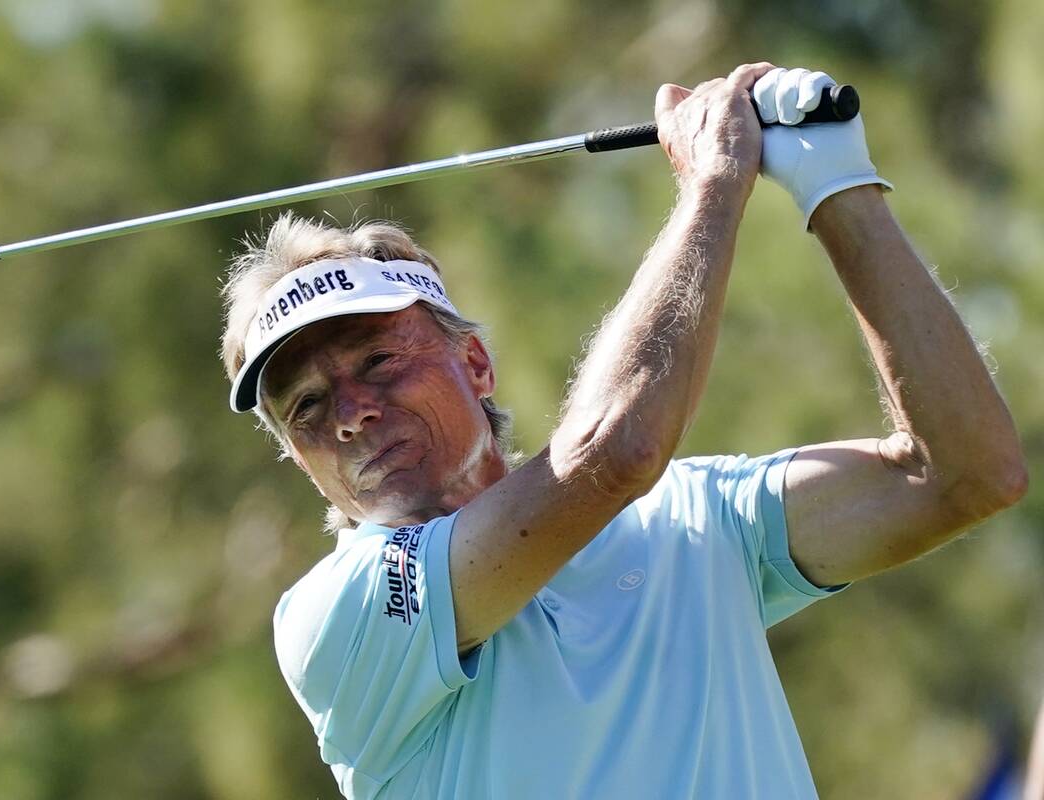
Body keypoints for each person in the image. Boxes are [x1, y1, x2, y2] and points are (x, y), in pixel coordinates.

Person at [218, 63, 1027, 799]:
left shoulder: (699, 516)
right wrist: (715, 184)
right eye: (309, 408)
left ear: (475, 363)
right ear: (298, 460)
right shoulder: (338, 617)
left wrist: (836, 182)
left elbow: (966, 474)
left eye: (380, 361)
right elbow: (613, 454)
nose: (353, 412)